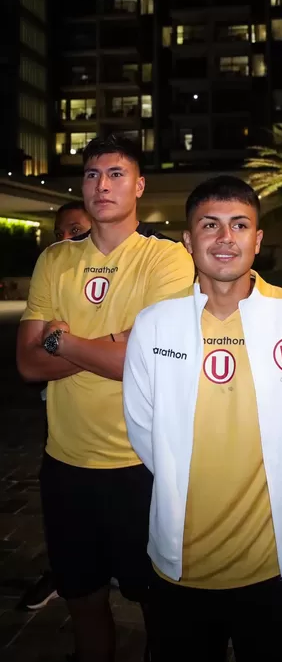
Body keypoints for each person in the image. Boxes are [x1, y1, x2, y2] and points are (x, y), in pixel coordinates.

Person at [123, 176, 282, 662]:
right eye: (210, 225)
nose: (225, 239)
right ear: (188, 239)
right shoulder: (155, 324)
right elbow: (144, 431)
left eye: (239, 225)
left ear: (258, 240)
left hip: (280, 567)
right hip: (182, 567)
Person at [16, 135, 194, 662]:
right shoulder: (55, 259)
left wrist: (64, 341)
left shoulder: (167, 260)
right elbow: (28, 363)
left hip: (141, 464)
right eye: (92, 175)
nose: (102, 185)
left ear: (139, 185)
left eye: (116, 174)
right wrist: (116, 343)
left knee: (159, 604)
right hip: (65, 464)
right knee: (82, 598)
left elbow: (150, 362)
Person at [17, 201, 93, 613]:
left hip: (119, 440)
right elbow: (30, 362)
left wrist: (61, 340)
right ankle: (61, 575)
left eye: (76, 231)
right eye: (60, 232)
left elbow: (131, 356)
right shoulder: (54, 271)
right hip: (60, 421)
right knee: (66, 522)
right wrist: (99, 346)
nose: (66, 240)